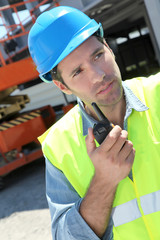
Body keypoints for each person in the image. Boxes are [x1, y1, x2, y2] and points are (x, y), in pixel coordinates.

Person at [28, 6, 160, 240]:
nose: (98, 74)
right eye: (78, 71)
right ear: (63, 87)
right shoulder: (59, 147)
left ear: (109, 48)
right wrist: (104, 181)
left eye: (98, 55)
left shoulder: (158, 95)